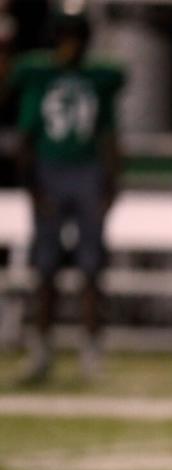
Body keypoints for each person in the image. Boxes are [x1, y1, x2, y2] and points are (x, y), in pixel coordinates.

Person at [7, 11, 124, 383]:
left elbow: (108, 134)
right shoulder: (37, 75)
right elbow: (25, 138)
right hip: (50, 172)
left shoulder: (99, 78)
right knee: (45, 271)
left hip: (86, 173)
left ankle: (90, 351)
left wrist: (112, 184)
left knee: (91, 270)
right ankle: (41, 350)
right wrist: (32, 186)